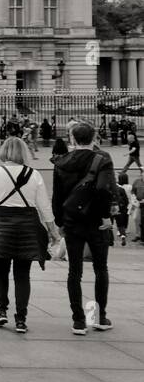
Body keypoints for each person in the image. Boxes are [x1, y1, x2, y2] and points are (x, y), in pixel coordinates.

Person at [0, 137, 62, 333]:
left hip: (1, 224)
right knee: (22, 274)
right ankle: (21, 319)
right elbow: (44, 206)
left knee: (1, 271)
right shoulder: (34, 174)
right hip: (27, 224)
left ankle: (1, 311)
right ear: (23, 152)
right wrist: (53, 231)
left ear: (4, 151)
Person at [52, 121, 116, 334]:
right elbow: (104, 190)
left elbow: (57, 197)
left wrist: (60, 222)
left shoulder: (61, 162)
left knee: (74, 272)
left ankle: (78, 320)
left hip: (72, 221)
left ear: (72, 138)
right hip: (96, 221)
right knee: (100, 269)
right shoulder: (102, 159)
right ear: (94, 137)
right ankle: (98, 317)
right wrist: (106, 216)